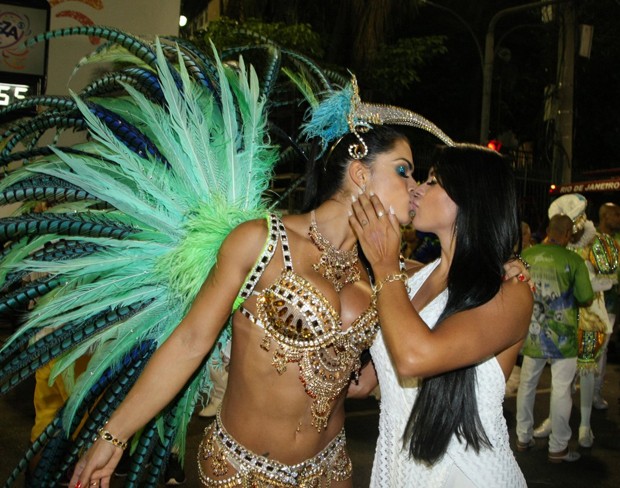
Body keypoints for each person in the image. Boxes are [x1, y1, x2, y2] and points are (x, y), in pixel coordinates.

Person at [68, 73, 456, 486]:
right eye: (403, 171)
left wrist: (499, 264)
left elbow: (361, 380)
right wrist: (113, 436)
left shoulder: (384, 271)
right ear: (360, 174)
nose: (414, 188)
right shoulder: (262, 242)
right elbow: (189, 341)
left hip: (331, 471)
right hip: (241, 472)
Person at [348, 144, 533, 487]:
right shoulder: (414, 279)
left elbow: (414, 357)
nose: (416, 188)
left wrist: (385, 264)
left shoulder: (511, 289)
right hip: (401, 470)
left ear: (471, 197)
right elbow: (367, 382)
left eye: (433, 181)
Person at [532, 195, 618, 448]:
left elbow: (612, 278)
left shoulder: (600, 242)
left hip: (590, 314)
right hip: (566, 316)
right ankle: (554, 420)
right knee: (562, 375)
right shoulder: (561, 243)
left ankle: (585, 425)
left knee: (587, 370)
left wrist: (590, 282)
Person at [516, 213, 594, 462]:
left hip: (532, 334)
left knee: (527, 385)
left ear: (548, 230)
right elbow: (586, 298)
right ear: (569, 235)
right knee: (561, 389)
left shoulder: (527, 256)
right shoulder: (573, 261)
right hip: (564, 339)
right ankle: (557, 447)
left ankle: (522, 437)